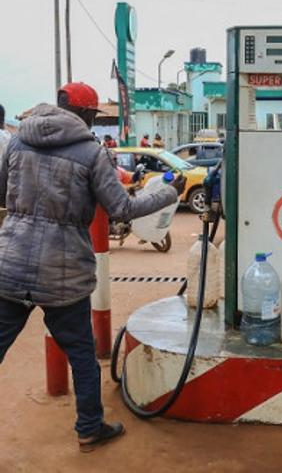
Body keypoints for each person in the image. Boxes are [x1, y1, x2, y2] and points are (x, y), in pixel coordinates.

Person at [0, 82, 186, 451]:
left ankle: (90, 426)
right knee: (83, 356)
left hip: (10, 264)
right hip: (63, 274)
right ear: (86, 115)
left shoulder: (18, 141)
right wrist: (168, 192)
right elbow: (122, 209)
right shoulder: (91, 153)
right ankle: (89, 428)